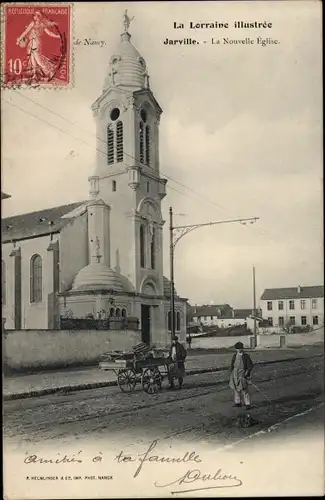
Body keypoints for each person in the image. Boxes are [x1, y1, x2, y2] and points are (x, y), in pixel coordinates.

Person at [229, 341, 253, 409]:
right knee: (236, 389)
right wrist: (231, 372)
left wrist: (247, 372)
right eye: (237, 349)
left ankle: (247, 404)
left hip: (242, 373)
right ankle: (238, 403)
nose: (239, 350)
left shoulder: (246, 356)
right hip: (235, 374)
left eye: (240, 348)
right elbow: (232, 364)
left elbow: (250, 366)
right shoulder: (234, 355)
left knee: (244, 390)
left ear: (242, 348)